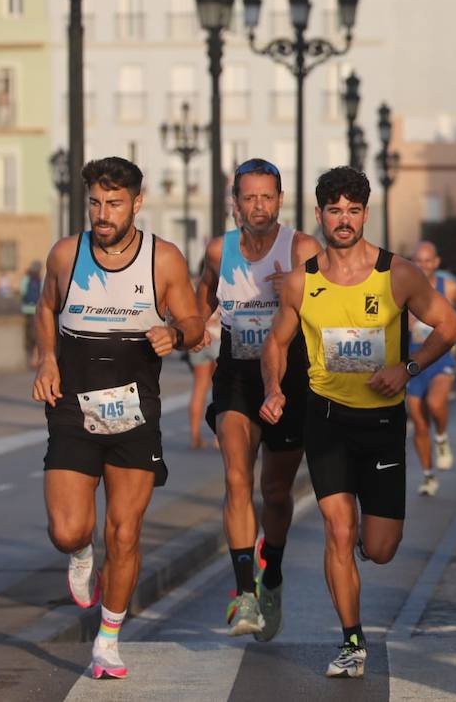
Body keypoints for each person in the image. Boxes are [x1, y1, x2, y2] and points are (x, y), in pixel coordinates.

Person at [260, 167, 456, 678]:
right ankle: (352, 640)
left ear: (366, 214)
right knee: (338, 528)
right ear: (320, 214)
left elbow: (450, 325)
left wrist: (408, 367)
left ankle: (361, 550)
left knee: (381, 548)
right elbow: (276, 343)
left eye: (353, 211)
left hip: (381, 425)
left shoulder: (398, 274)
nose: (344, 220)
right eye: (334, 211)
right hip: (326, 419)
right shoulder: (302, 281)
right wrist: (274, 389)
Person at [32, 157, 203, 680]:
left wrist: (175, 334)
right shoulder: (66, 254)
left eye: (114, 203)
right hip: (73, 405)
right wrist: (47, 359)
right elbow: (46, 308)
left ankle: (108, 641)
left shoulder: (163, 259)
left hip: (134, 410)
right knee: (68, 530)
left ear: (137, 203)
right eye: (95, 203)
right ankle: (81, 552)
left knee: (125, 534)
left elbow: (194, 322)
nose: (103, 214)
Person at [195, 158, 321, 640]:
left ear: (280, 200)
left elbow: (331, 306)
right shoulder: (218, 251)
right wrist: (176, 329)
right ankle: (244, 592)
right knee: (236, 478)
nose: (259, 206)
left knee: (276, 491)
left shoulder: (301, 248)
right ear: (235, 203)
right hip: (236, 374)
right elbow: (198, 307)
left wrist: (298, 292)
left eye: (267, 197)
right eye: (249, 197)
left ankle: (273, 573)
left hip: (290, 377)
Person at [408, 240, 456, 497]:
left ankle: (441, 437)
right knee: (419, 424)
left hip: (441, 360)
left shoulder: (448, 286)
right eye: (418, 260)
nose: (423, 265)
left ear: (436, 262)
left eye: (427, 260)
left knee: (436, 403)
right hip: (412, 363)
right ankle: (428, 476)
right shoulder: (401, 287)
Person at [188, 306, 221, 449]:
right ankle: (219, 438)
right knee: (220, 388)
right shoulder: (218, 290)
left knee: (199, 389)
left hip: (197, 339)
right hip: (217, 338)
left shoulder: (193, 292)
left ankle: (195, 437)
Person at [20, 261, 44, 368]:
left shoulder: (26, 279)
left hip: (26, 310)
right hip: (36, 310)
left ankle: (31, 359)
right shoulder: (40, 279)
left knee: (28, 336)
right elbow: (43, 294)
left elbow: (22, 291)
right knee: (36, 335)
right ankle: (35, 358)